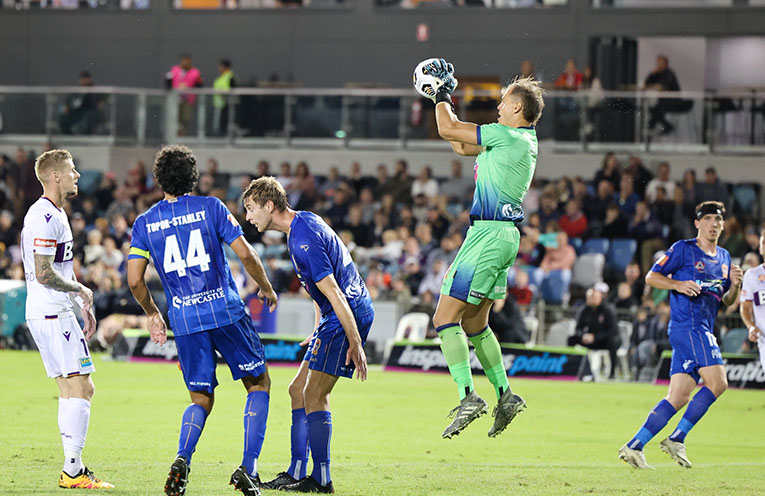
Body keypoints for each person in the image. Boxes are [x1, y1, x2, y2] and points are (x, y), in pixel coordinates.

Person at [126, 145, 278, 496]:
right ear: (193, 177)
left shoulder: (145, 223)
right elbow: (246, 254)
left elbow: (134, 280)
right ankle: (249, 468)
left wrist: (152, 313)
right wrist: (266, 287)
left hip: (185, 320)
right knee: (258, 383)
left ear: (159, 179)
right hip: (225, 311)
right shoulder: (212, 207)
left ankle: (183, 458)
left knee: (200, 399)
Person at [426, 58, 544, 438]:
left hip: (488, 235)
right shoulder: (519, 142)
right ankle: (505, 395)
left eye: (504, 100)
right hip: (504, 237)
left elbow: (448, 128)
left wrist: (440, 94)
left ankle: (468, 397)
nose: (498, 105)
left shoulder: (507, 137)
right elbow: (461, 145)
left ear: (518, 107)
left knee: (444, 318)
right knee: (476, 324)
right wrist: (446, 103)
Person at [241, 176, 374, 493]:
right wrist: (317, 330)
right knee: (297, 390)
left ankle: (321, 479)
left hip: (346, 314)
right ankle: (297, 470)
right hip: (337, 314)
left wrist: (355, 341)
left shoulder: (303, 238)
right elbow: (319, 293)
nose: (248, 216)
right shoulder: (301, 226)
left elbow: (334, 292)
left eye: (251, 208)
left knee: (314, 395)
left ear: (269, 206)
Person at [618, 201, 743, 469]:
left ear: (723, 225)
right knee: (718, 383)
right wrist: (677, 284)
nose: (713, 224)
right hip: (689, 327)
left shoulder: (724, 257)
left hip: (702, 328)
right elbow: (651, 277)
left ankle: (635, 445)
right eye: (707, 219)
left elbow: (727, 300)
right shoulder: (683, 249)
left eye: (717, 220)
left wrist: (735, 286)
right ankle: (677, 438)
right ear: (697, 223)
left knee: (679, 396)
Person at [20, 149, 113, 489]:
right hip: (52, 311)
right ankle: (73, 471)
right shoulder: (45, 216)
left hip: (50, 310)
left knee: (69, 389)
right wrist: (81, 289)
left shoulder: (54, 213)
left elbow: (59, 266)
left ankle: (73, 468)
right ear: (55, 176)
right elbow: (44, 272)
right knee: (83, 387)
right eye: (72, 170)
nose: (77, 175)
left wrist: (80, 301)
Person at [568, 282, 621, 379]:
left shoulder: (608, 309)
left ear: (600, 297)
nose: (591, 299)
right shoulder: (584, 310)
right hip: (590, 340)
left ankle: (612, 372)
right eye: (589, 297)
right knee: (571, 339)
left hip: (604, 339)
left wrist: (595, 337)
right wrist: (583, 336)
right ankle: (571, 369)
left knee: (612, 341)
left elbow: (612, 330)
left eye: (594, 297)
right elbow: (578, 329)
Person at [740, 228, 765, 375]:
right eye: (764, 243)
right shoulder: (752, 275)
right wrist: (751, 327)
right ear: (760, 248)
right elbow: (745, 307)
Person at [644, 55, 688, 135]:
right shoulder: (657, 74)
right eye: (658, 63)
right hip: (663, 101)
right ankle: (654, 128)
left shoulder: (670, 73)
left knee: (656, 111)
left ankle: (652, 128)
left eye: (661, 64)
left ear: (666, 64)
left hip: (673, 101)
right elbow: (647, 84)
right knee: (653, 110)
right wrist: (652, 74)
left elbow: (666, 86)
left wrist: (657, 87)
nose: (659, 65)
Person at [166, 54, 203, 136]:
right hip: (175, 99)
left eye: (187, 61)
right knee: (175, 117)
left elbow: (200, 85)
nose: (185, 63)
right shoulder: (174, 70)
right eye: (184, 61)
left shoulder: (195, 72)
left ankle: (182, 134)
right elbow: (168, 82)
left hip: (188, 100)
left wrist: (188, 87)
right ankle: (175, 134)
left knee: (185, 118)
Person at [213, 59, 236, 136]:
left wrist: (225, 96)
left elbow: (233, 90)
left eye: (220, 66)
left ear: (224, 67)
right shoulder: (221, 77)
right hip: (219, 104)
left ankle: (226, 137)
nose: (219, 68)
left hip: (226, 104)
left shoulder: (230, 77)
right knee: (218, 124)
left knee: (225, 122)